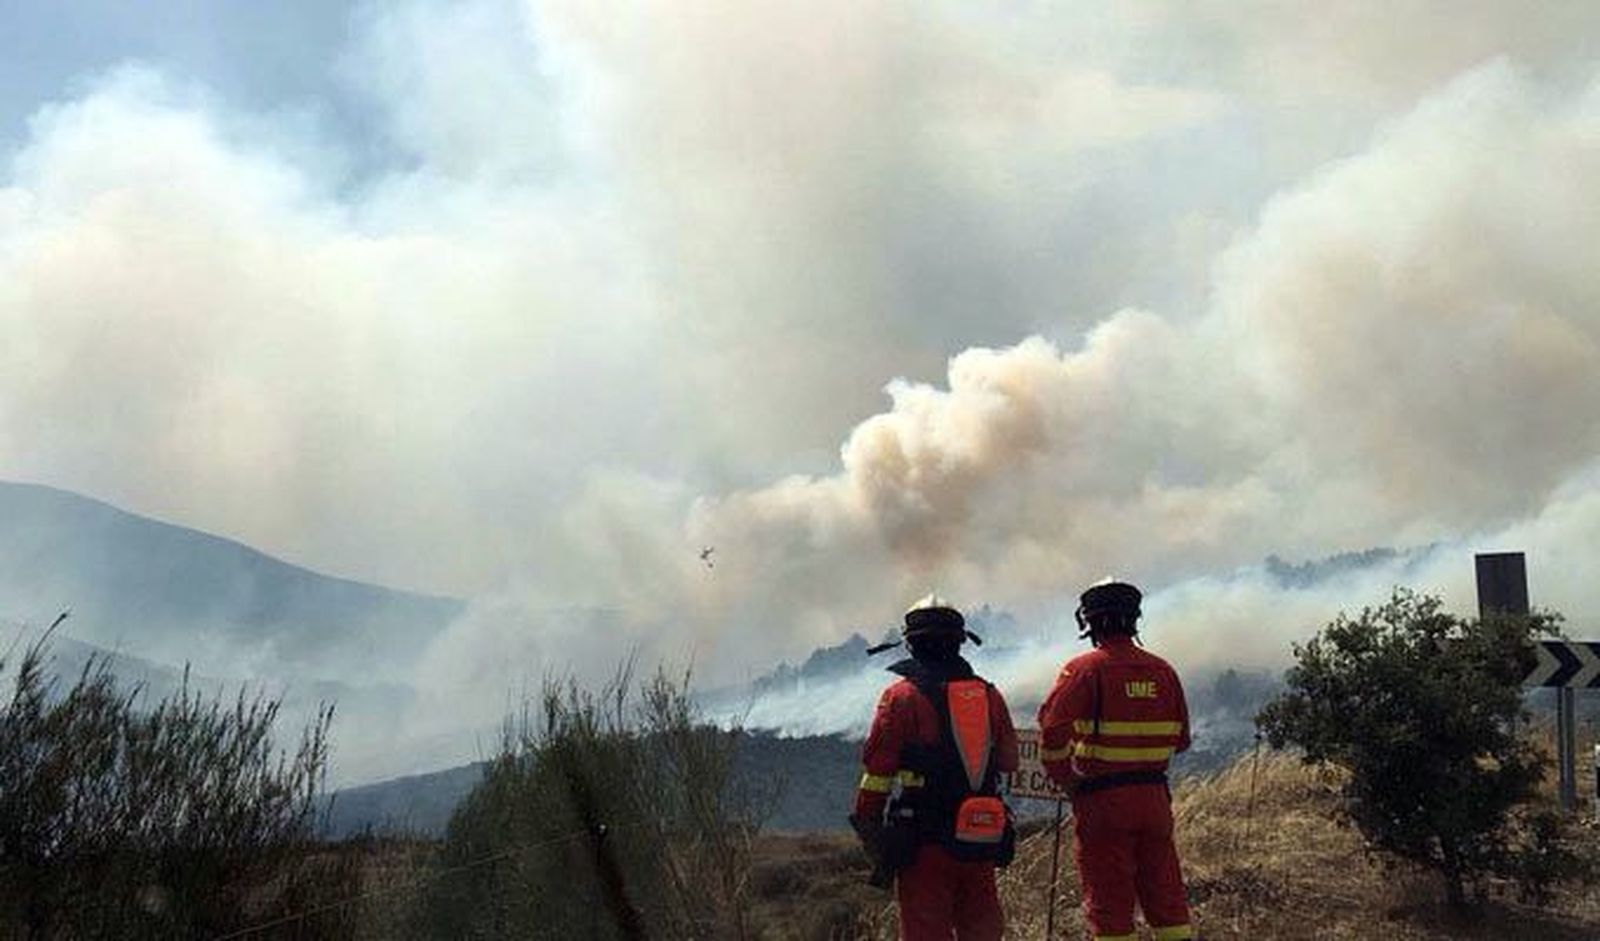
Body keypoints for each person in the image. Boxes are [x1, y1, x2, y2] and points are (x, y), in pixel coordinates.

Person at [850, 594, 1020, 940]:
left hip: (923, 843)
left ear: (911, 645)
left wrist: (869, 825)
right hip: (980, 836)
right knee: (983, 931)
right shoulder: (990, 695)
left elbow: (878, 774)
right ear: (960, 643)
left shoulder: (900, 698)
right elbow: (1008, 762)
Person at [1038, 579, 1195, 941]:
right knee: (1167, 898)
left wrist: (1065, 778)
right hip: (1155, 802)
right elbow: (1182, 741)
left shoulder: (1084, 671)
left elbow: (1052, 731)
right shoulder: (1164, 671)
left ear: (1089, 622)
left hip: (1103, 803)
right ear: (1134, 619)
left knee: (1109, 903)